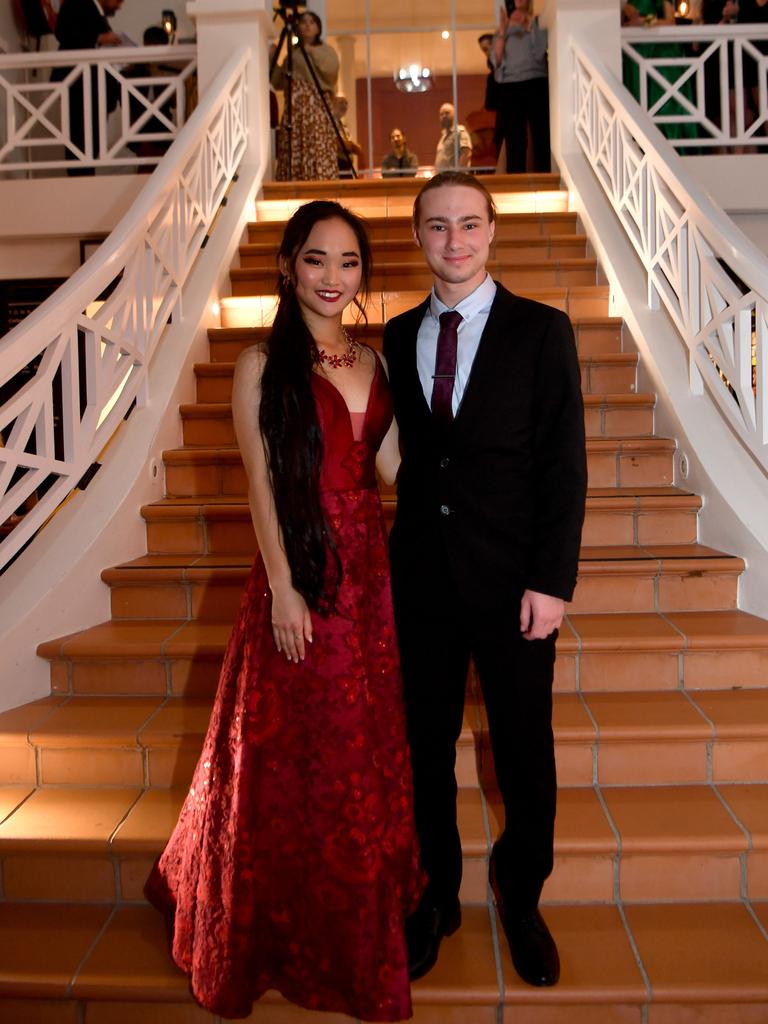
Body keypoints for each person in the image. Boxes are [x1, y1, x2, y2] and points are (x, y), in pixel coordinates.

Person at [145, 201, 425, 1021]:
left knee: (355, 750)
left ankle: (352, 919)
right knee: (286, 754)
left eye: (348, 262)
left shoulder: (376, 361)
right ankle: (273, 924)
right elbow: (261, 486)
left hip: (368, 577)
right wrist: (283, 588)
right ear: (287, 267)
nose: (334, 278)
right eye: (316, 260)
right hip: (299, 570)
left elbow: (400, 468)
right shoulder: (259, 363)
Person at [382, 172, 587, 988]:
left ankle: (522, 890)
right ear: (419, 235)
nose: (455, 241)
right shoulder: (397, 336)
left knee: (524, 749)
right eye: (438, 226)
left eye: (469, 224)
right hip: (420, 583)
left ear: (492, 230)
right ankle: (438, 899)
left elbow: (562, 466)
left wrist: (551, 578)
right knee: (423, 749)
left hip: (515, 586)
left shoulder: (543, 331)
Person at [50, 0, 125, 176]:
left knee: (91, 147)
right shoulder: (76, 4)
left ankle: (85, 178)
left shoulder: (98, 15)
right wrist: (99, 38)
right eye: (118, 1)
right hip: (80, 88)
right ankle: (79, 184)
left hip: (95, 91)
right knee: (80, 144)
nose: (119, 6)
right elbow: (63, 32)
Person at [270, 10, 339, 181]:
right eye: (303, 22)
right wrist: (272, 58)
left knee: (317, 144)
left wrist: (311, 52)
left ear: (318, 28)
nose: (307, 25)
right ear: (297, 28)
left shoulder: (326, 51)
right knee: (295, 144)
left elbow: (331, 71)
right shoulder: (292, 54)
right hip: (295, 108)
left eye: (312, 22)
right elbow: (278, 82)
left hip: (316, 107)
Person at [490, 0, 550, 172]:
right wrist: (503, 30)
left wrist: (527, 24)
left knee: (541, 131)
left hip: (536, 81)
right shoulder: (503, 29)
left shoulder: (537, 23)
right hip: (511, 85)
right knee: (514, 135)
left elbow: (540, 52)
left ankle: (544, 172)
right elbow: (497, 60)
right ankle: (515, 174)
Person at [331, 94, 364, 176]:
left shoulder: (344, 125)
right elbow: (337, 143)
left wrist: (352, 146)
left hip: (347, 168)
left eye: (346, 103)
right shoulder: (329, 122)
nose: (344, 106)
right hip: (336, 167)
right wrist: (351, 146)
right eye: (341, 102)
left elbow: (356, 148)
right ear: (333, 103)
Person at [434, 102, 472, 170]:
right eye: (441, 114)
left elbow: (466, 153)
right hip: (443, 178)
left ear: (454, 114)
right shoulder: (443, 137)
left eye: (447, 113)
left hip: (454, 179)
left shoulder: (460, 132)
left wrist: (458, 176)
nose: (444, 116)